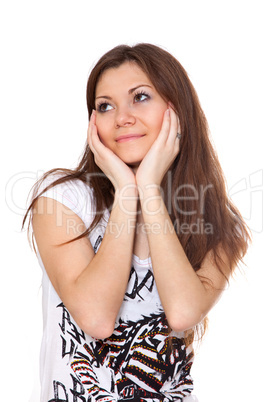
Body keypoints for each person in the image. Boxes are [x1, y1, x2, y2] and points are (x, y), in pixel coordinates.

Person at [23, 43, 250, 402]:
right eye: (105, 106)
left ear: (177, 110)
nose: (121, 117)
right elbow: (97, 319)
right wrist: (127, 194)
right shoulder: (62, 201)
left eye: (140, 97)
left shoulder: (220, 224)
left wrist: (149, 190)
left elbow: (183, 314)